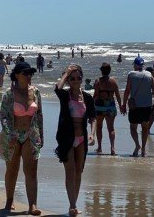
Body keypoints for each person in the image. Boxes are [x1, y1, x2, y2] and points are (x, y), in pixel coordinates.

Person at [0, 61, 43, 215]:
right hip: (13, 135)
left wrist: (41, 135)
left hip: (30, 134)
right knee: (12, 169)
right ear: (17, 75)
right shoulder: (10, 93)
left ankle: (32, 205)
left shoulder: (35, 92)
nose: (29, 76)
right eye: (25, 73)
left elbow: (39, 115)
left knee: (31, 171)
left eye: (30, 73)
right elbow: (4, 116)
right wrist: (10, 134)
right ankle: (9, 200)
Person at [55, 65, 96, 216]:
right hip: (67, 137)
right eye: (72, 78)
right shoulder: (65, 95)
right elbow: (58, 89)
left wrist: (92, 134)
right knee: (70, 171)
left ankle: (74, 203)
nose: (76, 80)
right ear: (68, 80)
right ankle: (72, 205)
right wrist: (66, 73)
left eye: (78, 77)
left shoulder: (87, 97)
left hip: (82, 138)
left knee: (79, 171)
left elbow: (93, 117)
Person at [122, 57, 154, 157]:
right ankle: (143, 150)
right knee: (145, 128)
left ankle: (137, 145)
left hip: (135, 106)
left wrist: (123, 104)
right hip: (147, 106)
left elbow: (127, 90)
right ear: (142, 65)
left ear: (135, 65)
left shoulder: (131, 74)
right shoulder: (149, 75)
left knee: (133, 127)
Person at [93, 62, 122, 155]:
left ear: (101, 71)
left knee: (99, 127)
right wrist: (121, 106)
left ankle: (100, 147)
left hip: (99, 107)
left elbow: (96, 95)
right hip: (110, 106)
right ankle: (112, 148)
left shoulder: (97, 81)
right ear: (109, 71)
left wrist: (90, 106)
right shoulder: (113, 81)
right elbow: (117, 95)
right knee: (111, 128)